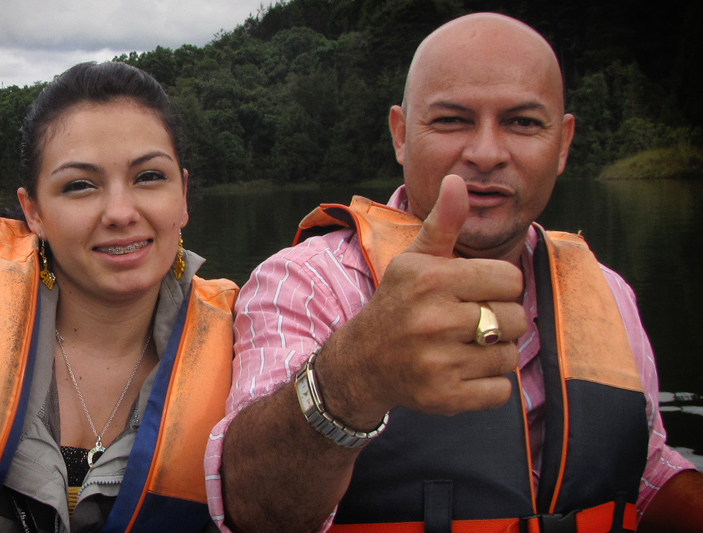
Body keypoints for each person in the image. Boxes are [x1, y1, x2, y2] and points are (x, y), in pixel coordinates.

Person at [204, 12, 703, 533]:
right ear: (400, 135)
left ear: (563, 143)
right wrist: (356, 374)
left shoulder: (611, 292)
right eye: (451, 120)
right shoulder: (306, 282)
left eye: (524, 123)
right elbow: (251, 511)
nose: (486, 153)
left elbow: (645, 470)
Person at [0, 61, 238, 531]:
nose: (121, 212)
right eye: (80, 185)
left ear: (183, 195)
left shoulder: (249, 353)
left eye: (149, 177)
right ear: (33, 210)